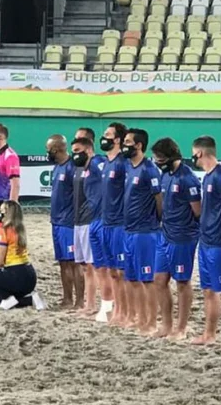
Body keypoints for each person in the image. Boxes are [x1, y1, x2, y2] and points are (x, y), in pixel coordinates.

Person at [189, 136, 221, 350]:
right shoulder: (208, 177)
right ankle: (209, 334)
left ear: (199, 153)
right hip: (207, 241)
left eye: (193, 153)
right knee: (209, 290)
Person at [151, 137, 201, 339]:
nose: (158, 162)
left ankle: (181, 328)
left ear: (172, 157)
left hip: (183, 237)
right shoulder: (165, 176)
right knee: (159, 279)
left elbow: (198, 212)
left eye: (161, 159)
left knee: (182, 282)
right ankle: (167, 325)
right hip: (165, 234)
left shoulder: (188, 179)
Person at [122, 128, 163, 335]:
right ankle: (138, 318)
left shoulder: (150, 169)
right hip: (129, 230)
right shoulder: (129, 167)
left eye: (128, 142)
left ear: (138, 145)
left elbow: (159, 200)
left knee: (147, 280)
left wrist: (156, 221)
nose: (124, 145)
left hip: (145, 231)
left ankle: (151, 322)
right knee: (131, 278)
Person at [71, 136, 107, 315]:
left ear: (89, 150)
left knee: (93, 265)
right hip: (79, 219)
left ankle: (95, 305)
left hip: (91, 219)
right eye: (74, 152)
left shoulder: (97, 164)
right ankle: (89, 303)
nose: (75, 155)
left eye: (78, 151)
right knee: (85, 265)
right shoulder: (80, 169)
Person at [99, 122, 129, 325]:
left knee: (121, 272)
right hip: (106, 223)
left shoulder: (122, 163)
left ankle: (124, 311)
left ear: (117, 139)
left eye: (107, 134)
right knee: (112, 271)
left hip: (119, 223)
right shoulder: (107, 163)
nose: (104, 138)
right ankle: (117, 309)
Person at [47, 134, 80, 308]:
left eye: (48, 149)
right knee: (62, 262)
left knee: (73, 263)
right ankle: (67, 298)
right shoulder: (56, 168)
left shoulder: (71, 167)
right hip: (57, 221)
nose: (47, 152)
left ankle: (79, 301)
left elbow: (79, 196)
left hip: (69, 222)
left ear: (57, 149)